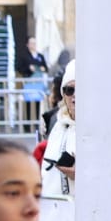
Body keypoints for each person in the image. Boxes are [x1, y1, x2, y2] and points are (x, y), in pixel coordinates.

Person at [38, 62, 77, 198]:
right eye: (69, 90)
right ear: (63, 94)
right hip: (55, 211)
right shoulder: (59, 125)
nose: (74, 96)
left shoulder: (99, 129)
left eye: (80, 89)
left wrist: (80, 175)